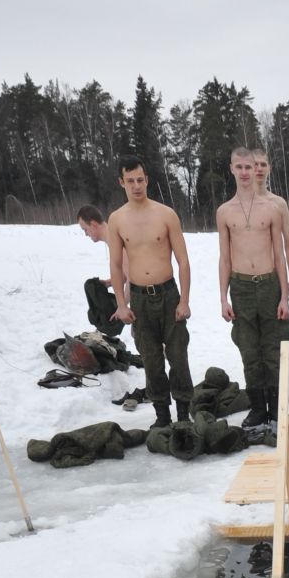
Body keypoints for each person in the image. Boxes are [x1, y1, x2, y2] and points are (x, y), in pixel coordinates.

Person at [108, 156, 193, 427]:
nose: (136, 186)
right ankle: (162, 416)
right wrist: (121, 304)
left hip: (168, 295)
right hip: (140, 300)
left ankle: (182, 414)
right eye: (130, 181)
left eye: (140, 180)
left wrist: (185, 301)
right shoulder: (117, 219)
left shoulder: (165, 214)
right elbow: (115, 264)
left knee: (178, 356)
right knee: (152, 360)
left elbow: (183, 260)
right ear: (122, 182)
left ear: (147, 180)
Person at [218, 145, 289, 427]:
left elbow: (279, 255)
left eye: (250, 167)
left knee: (272, 350)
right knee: (250, 351)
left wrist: (284, 295)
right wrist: (223, 297)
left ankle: (277, 406)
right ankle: (258, 408)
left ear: (256, 169)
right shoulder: (224, 212)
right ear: (232, 169)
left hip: (269, 284)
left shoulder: (271, 209)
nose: (246, 172)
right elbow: (224, 258)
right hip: (241, 287)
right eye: (240, 167)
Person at [77, 204, 129, 337]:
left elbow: (133, 278)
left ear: (94, 224)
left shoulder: (115, 239)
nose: (85, 234)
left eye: (85, 229)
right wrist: (108, 283)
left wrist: (122, 307)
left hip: (149, 297)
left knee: (149, 342)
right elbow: (125, 273)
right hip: (143, 295)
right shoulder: (111, 238)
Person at [251, 149, 289, 302]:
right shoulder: (238, 205)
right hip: (246, 280)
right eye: (255, 164)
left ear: (269, 168)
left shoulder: (279, 204)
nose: (259, 169)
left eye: (263, 164)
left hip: (274, 278)